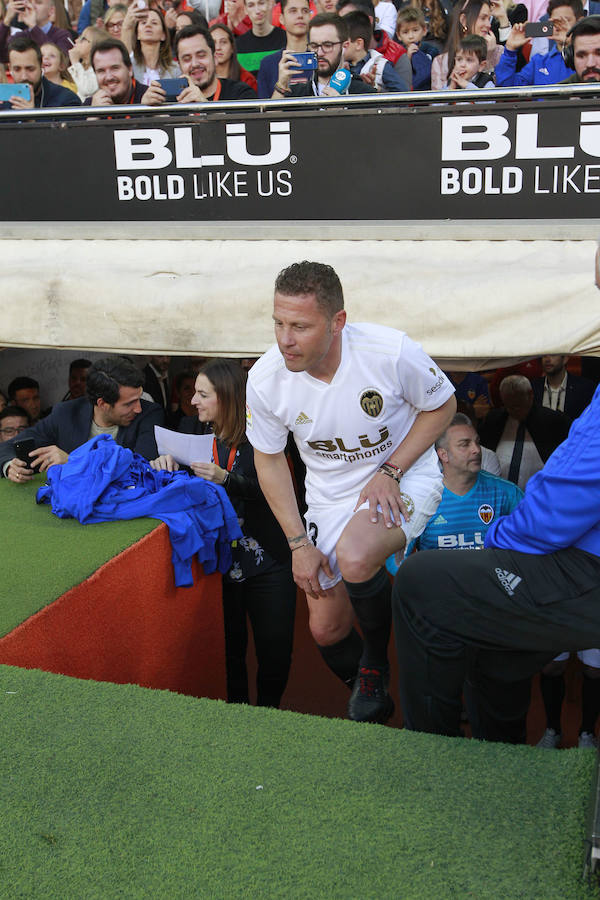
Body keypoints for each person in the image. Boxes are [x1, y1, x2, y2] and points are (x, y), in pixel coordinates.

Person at [245, 261, 456, 723]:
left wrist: (392, 469)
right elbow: (268, 459)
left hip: (405, 473)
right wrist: (298, 544)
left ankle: (376, 666)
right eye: (278, 323)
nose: (285, 339)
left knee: (358, 555)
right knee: (326, 629)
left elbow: (443, 404)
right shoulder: (265, 379)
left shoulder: (390, 351)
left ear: (337, 322)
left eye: (300, 326)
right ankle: (373, 698)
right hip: (329, 498)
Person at [393, 383, 600, 745]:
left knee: (419, 583)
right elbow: (400, 555)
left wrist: (497, 541)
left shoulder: (503, 494)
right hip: (561, 561)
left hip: (575, 561)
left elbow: (553, 510)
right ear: (441, 455)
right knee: (494, 654)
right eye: (464, 444)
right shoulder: (421, 497)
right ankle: (502, 753)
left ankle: (431, 754)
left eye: (476, 442)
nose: (476, 450)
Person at [151, 359, 296, 709]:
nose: (194, 401)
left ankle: (269, 715)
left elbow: (284, 492)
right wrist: (163, 464)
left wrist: (226, 479)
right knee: (228, 650)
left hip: (270, 559)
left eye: (203, 394)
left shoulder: (266, 435)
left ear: (228, 397)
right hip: (218, 562)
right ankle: (238, 715)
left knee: (274, 651)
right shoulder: (193, 430)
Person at [0, 356, 164, 482]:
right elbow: (6, 448)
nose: (138, 408)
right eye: (129, 403)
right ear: (103, 404)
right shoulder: (65, 413)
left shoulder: (149, 414)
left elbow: (140, 467)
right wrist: (10, 467)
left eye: (138, 398)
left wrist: (73, 462)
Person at [479, 374, 570, 490]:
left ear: (530, 395)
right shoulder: (494, 420)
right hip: (499, 491)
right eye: (508, 407)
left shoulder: (554, 421)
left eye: (517, 406)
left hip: (540, 492)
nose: (513, 411)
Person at [272, 12, 378, 96]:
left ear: (344, 46)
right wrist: (281, 85)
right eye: (314, 46)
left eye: (327, 45)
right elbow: (271, 121)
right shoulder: (296, 94)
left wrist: (342, 113)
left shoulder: (364, 93)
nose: (320, 53)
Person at [495, 0, 583, 85]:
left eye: (565, 20)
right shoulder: (538, 62)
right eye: (555, 22)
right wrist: (510, 50)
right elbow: (507, 87)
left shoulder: (588, 57)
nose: (560, 26)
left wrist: (572, 45)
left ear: (580, 22)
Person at [431, 0, 501, 91]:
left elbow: (499, 98)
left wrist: (488, 58)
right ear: (464, 20)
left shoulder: (499, 52)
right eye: (483, 18)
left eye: (489, 19)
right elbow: (437, 103)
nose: (488, 25)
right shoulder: (441, 62)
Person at [175, 23, 256, 99]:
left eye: (201, 55)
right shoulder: (171, 102)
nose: (195, 64)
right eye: (187, 59)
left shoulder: (241, 94)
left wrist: (203, 106)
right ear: (179, 65)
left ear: (215, 58)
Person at [3, 34, 82, 107]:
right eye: (17, 69)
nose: (24, 76)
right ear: (10, 69)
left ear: (41, 66)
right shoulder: (4, 101)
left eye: (30, 69)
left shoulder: (66, 99)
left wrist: (30, 118)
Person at [342, 9, 410, 89]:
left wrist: (376, 89)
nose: (339, 46)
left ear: (358, 44)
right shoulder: (339, 66)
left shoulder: (380, 66)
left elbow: (402, 92)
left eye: (343, 42)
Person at [255, 0, 310, 97]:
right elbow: (265, 111)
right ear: (281, 19)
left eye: (305, 11)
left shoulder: (321, 57)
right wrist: (281, 84)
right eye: (293, 11)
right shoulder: (268, 64)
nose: (300, 15)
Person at [121, 4, 180, 85]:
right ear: (137, 34)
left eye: (154, 23)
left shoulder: (175, 69)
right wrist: (126, 26)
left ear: (163, 35)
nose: (148, 25)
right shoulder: (130, 66)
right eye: (143, 23)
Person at [0, 0, 73, 64]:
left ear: (51, 11)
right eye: (29, 2)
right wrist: (6, 21)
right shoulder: (21, 36)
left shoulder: (63, 35)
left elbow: (60, 62)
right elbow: (3, 56)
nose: (32, 6)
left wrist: (34, 27)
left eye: (38, 2)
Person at [86, 37, 152, 104]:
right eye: (101, 71)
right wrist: (94, 113)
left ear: (130, 69)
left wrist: (146, 112)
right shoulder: (89, 106)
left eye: (114, 68)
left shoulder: (150, 99)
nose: (109, 77)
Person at [531, 354, 595, 421]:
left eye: (553, 355)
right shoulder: (533, 387)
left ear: (565, 359)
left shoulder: (584, 388)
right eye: (544, 355)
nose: (547, 359)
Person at [235, 0, 286, 75]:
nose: (257, 10)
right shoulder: (238, 45)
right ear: (245, 9)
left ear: (269, 4)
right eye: (251, 5)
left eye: (261, 3)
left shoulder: (285, 39)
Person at [395, 6, 439, 90]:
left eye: (415, 30)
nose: (411, 36)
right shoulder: (397, 54)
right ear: (398, 35)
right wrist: (407, 58)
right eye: (405, 32)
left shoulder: (431, 50)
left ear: (424, 30)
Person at [209, 22, 257, 92]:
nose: (218, 47)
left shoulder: (247, 79)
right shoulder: (203, 79)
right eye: (213, 42)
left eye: (223, 42)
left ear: (232, 47)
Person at [67, 24, 103, 99]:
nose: (76, 40)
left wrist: (75, 62)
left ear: (94, 45)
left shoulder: (99, 69)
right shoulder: (84, 67)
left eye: (82, 39)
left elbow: (87, 90)